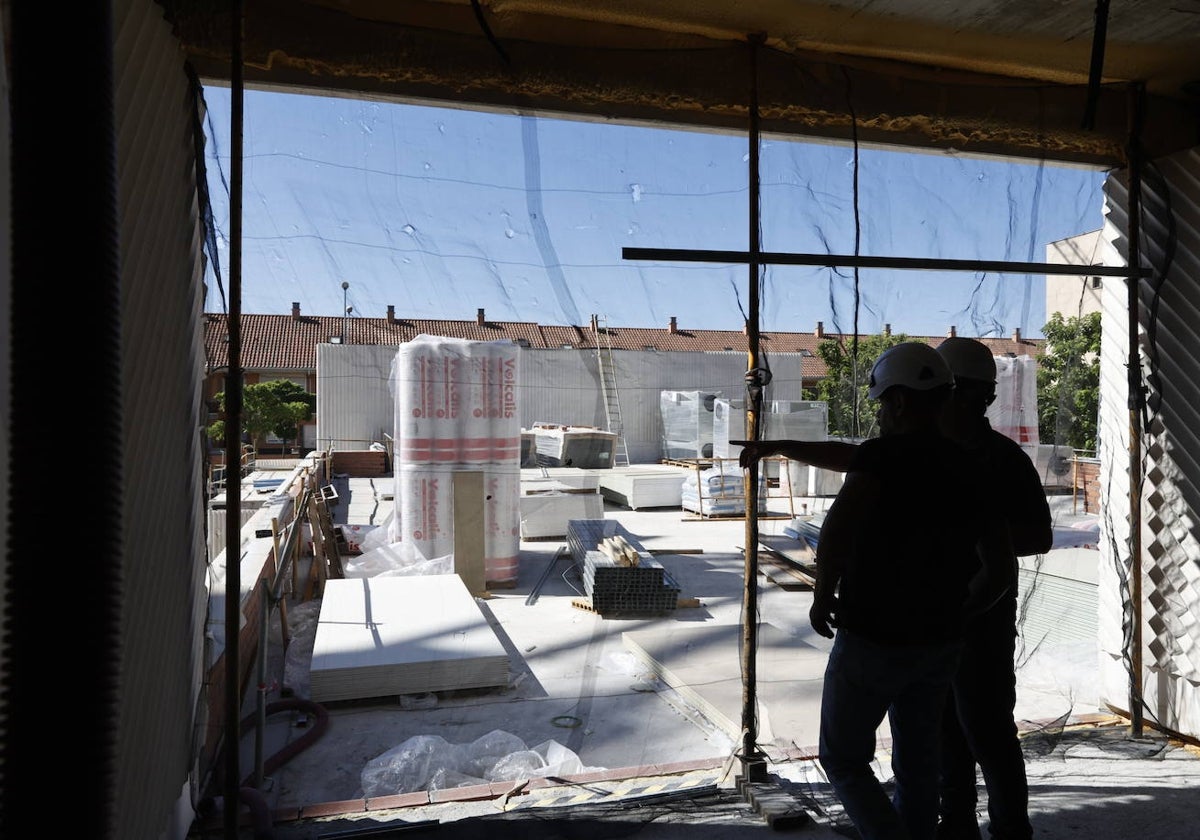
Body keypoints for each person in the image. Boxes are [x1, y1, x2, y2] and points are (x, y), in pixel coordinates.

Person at [735, 337, 1050, 840]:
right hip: (945, 631)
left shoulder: (977, 460)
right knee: (930, 747)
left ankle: (992, 831)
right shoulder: (963, 463)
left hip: (919, 629)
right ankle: (952, 827)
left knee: (882, 751)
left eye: (883, 402)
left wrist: (826, 593)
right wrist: (959, 605)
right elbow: (859, 459)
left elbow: (840, 527)